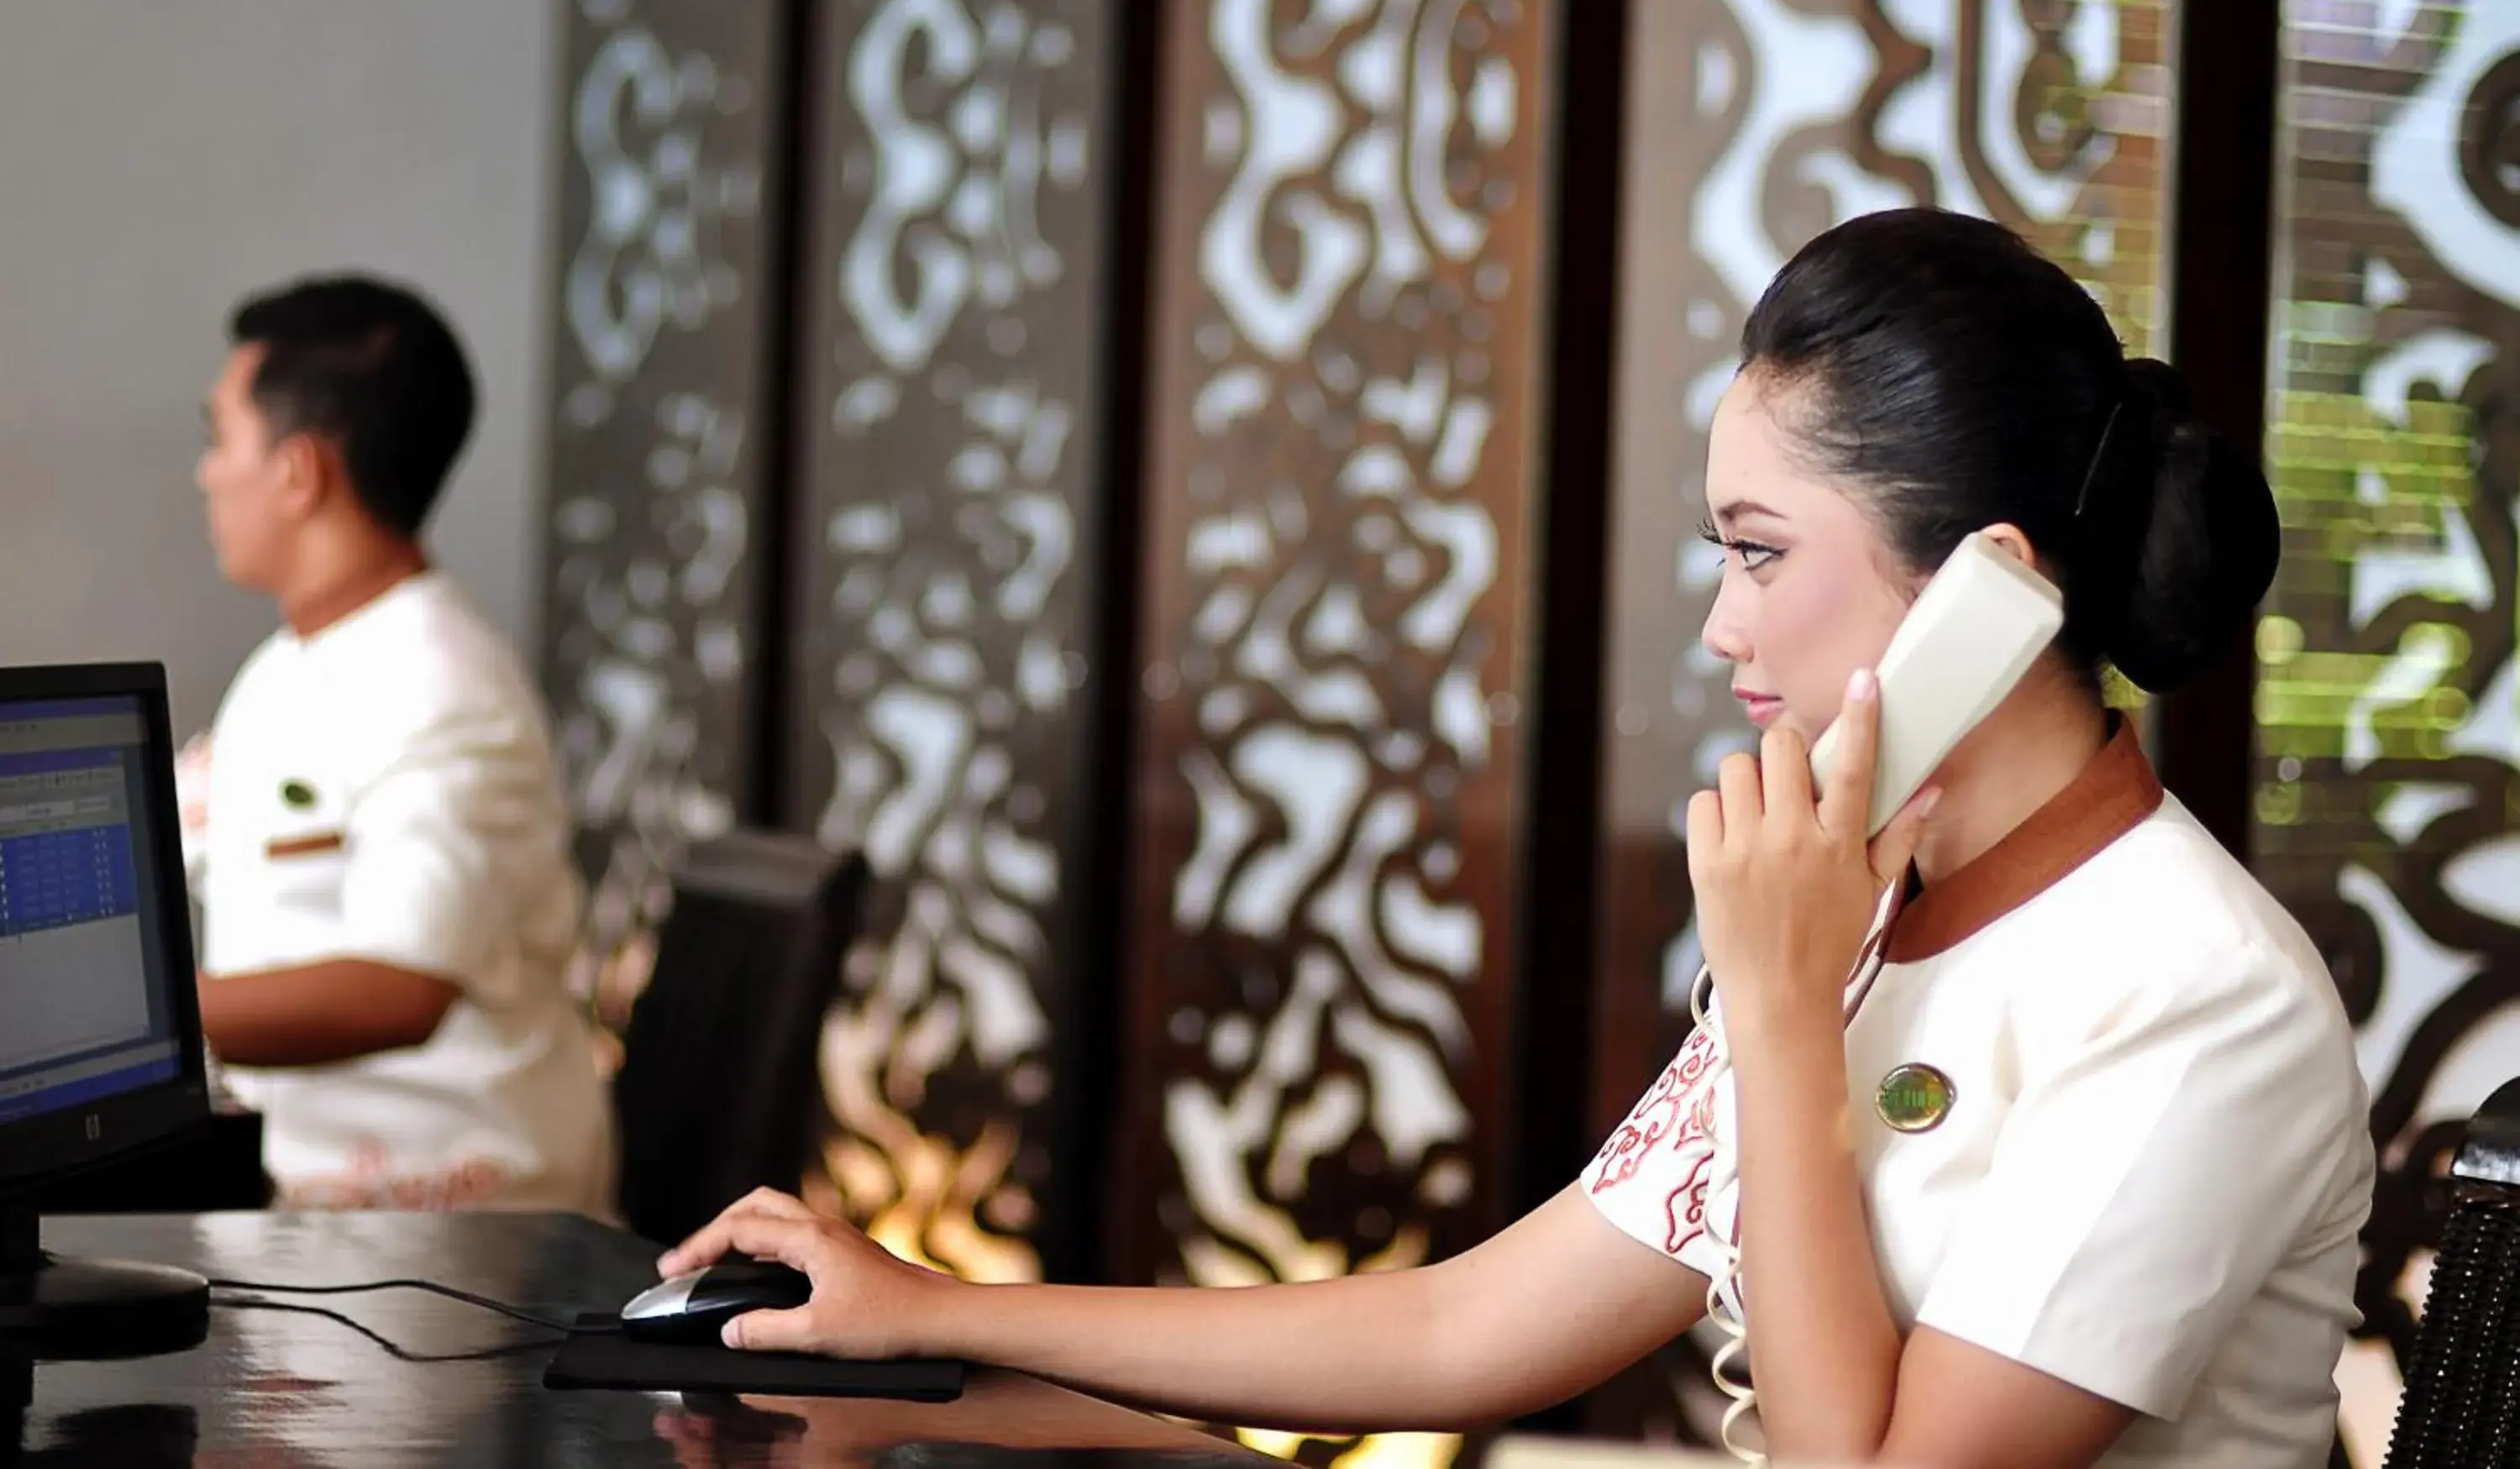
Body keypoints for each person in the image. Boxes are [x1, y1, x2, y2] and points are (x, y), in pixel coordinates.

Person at [654, 210, 2373, 1468]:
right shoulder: (1858, 910)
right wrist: (929, 1310)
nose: (1721, 630)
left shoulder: (2186, 991)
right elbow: (1465, 1326)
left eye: (1762, 555)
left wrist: (1778, 1016)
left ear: (1992, 587)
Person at [187, 275, 613, 1215]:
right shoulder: (287, 669)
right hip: (303, 1195)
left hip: (453, 1221)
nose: (206, 474)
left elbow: (399, 986)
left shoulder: (446, 687)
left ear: (299, 472)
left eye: (219, 440)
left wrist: (131, 1025)